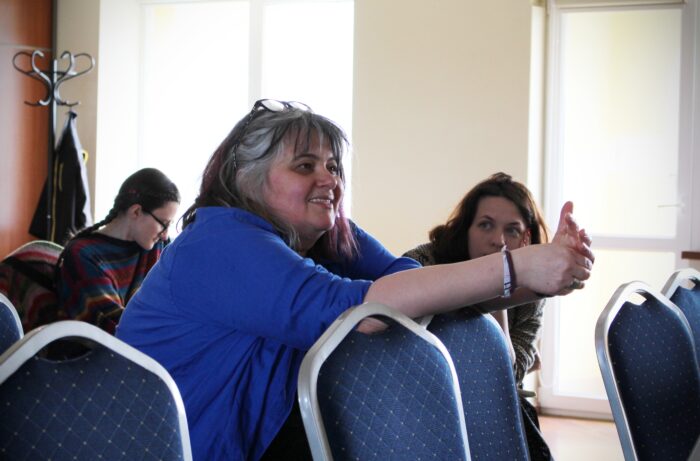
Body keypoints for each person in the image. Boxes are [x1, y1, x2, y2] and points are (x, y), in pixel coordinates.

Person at [115, 99, 593, 461]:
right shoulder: (220, 241)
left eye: (333, 166)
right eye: (305, 166)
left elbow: (403, 277)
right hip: (192, 446)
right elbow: (364, 311)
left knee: (442, 334)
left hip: (270, 432)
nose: (330, 180)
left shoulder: (324, 233)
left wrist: (534, 277)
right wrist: (518, 268)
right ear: (248, 176)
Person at [403, 172, 559, 460]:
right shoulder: (423, 261)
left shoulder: (532, 289)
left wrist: (498, 289)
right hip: (422, 405)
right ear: (466, 229)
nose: (497, 240)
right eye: (485, 225)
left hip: (494, 407)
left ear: (526, 239)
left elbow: (507, 377)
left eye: (512, 230)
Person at [56, 167, 180, 334]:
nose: (165, 235)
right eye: (163, 223)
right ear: (136, 211)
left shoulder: (158, 246)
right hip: (100, 354)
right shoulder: (83, 254)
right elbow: (115, 327)